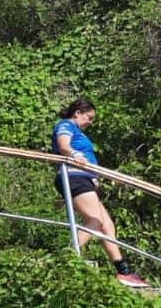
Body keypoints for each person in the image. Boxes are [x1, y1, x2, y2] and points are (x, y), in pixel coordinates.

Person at [52, 98, 150, 288]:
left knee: (107, 225)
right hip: (74, 176)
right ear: (77, 112)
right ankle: (68, 256)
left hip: (82, 178)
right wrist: (74, 154)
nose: (91, 122)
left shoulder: (78, 131)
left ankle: (123, 271)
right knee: (95, 220)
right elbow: (63, 145)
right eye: (89, 117)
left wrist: (93, 175)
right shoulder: (66, 125)